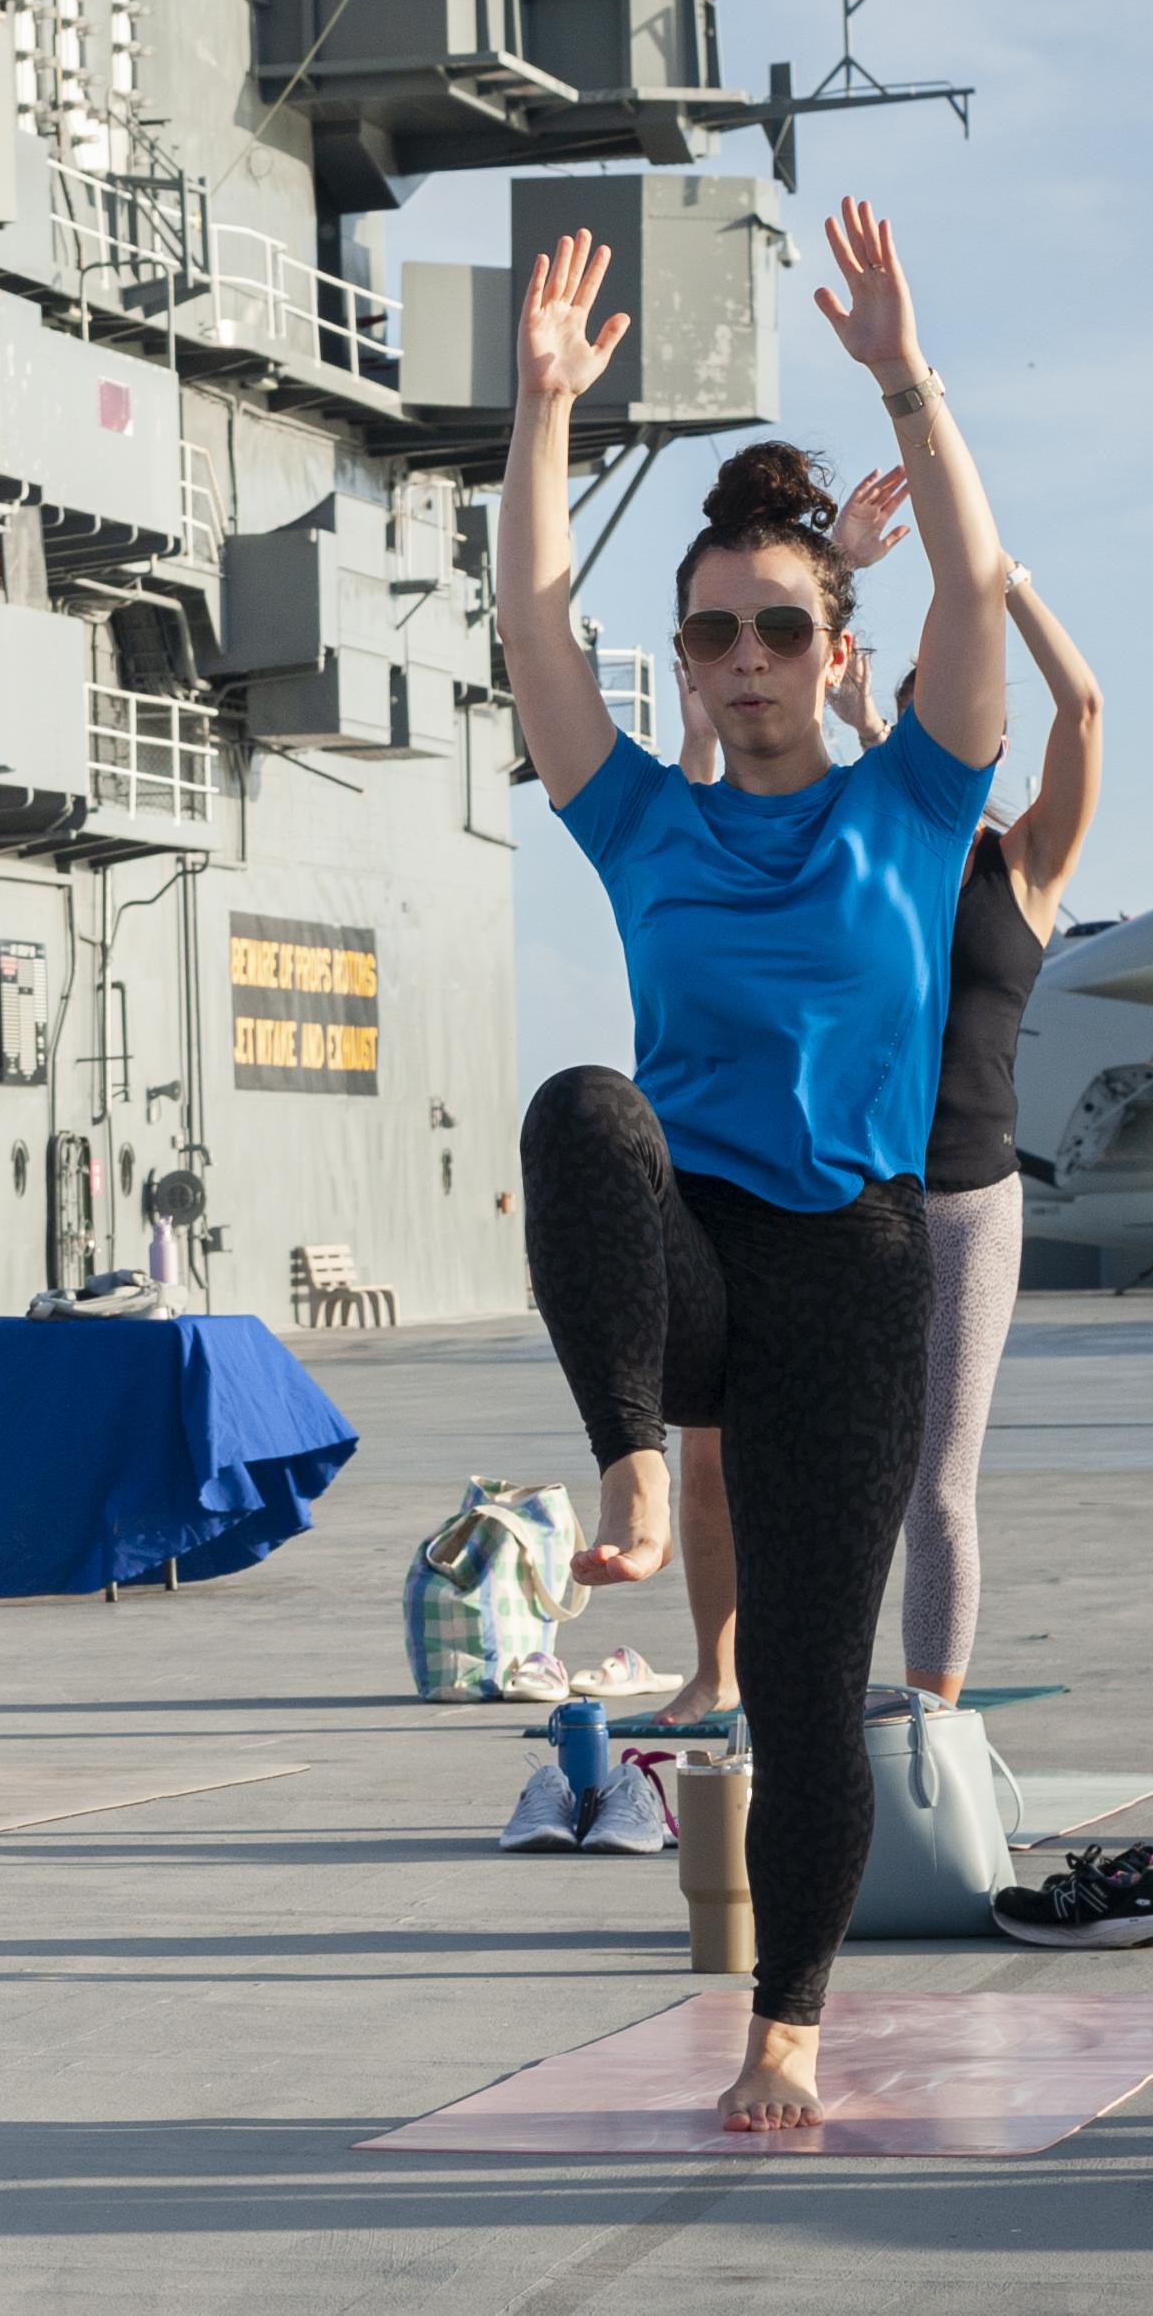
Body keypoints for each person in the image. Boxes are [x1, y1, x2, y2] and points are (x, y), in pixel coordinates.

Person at [504, 203, 1014, 2132]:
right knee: (582, 1107)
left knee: (805, 1695)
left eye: (776, 626)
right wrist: (545, 413)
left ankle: (781, 2020)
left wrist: (903, 371)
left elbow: (976, 591)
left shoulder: (914, 796)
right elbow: (534, 624)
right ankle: (632, 1447)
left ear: (831, 645)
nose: (738, 656)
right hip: (690, 1261)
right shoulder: (638, 821)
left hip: (859, 1274)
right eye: (709, 631)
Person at [661, 514, 1101, 1718]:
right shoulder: (873, 833)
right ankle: (757, 1685)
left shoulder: (1024, 867)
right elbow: (782, 727)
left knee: (935, 1484)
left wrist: (1004, 593)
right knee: (786, 1467)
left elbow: (1086, 717)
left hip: (962, 1199)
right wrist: (833, 586)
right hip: (845, 1199)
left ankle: (927, 1724)